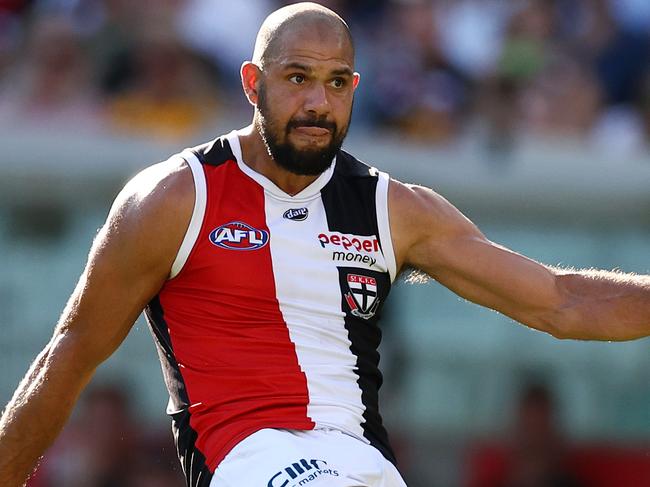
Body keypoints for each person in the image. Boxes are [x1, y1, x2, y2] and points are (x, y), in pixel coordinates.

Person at [1, 3, 648, 486]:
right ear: (253, 83)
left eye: (337, 82)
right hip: (248, 464)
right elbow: (67, 359)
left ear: (354, 91)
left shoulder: (393, 209)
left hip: (366, 468)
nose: (317, 102)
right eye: (297, 78)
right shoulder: (174, 199)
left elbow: (562, 300)